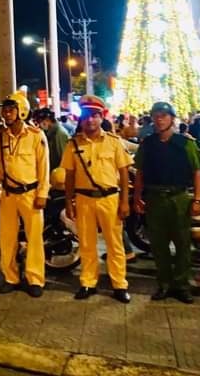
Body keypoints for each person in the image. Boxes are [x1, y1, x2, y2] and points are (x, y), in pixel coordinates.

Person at [62, 95, 133, 303]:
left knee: (115, 244)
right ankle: (87, 282)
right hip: (84, 199)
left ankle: (119, 284)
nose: (90, 120)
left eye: (94, 116)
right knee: (86, 243)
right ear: (81, 119)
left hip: (110, 198)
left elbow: (124, 173)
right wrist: (68, 201)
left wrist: (125, 201)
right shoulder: (73, 144)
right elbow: (69, 176)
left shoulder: (113, 142)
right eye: (86, 116)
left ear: (102, 117)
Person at [133, 102, 200, 303]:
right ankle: (164, 283)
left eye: (164, 115)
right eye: (156, 115)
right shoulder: (147, 144)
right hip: (155, 198)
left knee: (182, 243)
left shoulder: (186, 144)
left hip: (179, 198)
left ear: (172, 118)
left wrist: (197, 199)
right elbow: (140, 172)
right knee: (158, 244)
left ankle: (181, 285)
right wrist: (138, 197)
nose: (160, 119)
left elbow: (197, 172)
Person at [0, 93, 49, 298]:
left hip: (30, 195)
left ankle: (35, 279)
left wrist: (43, 193)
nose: (6, 114)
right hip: (7, 195)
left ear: (21, 111)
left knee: (34, 239)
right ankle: (10, 277)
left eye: (10, 110)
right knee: (7, 239)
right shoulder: (1, 137)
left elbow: (44, 167)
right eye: (4, 110)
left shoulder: (35, 135)